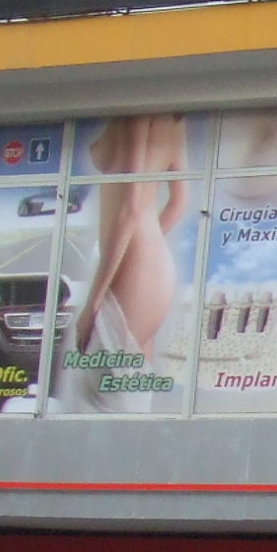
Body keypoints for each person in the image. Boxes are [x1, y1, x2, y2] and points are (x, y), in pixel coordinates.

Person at [70, 113, 191, 374]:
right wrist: (149, 245)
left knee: (101, 382)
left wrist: (91, 306)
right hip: (154, 272)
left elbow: (129, 209)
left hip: (132, 271)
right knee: (130, 384)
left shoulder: (136, 115)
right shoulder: (175, 122)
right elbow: (179, 203)